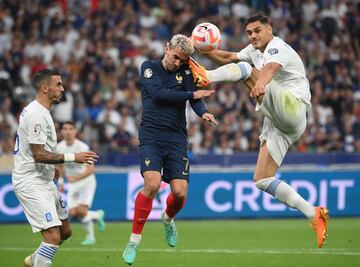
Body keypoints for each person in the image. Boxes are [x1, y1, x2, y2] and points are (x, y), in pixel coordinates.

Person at [189, 13, 329, 248]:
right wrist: (205, 51)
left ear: (269, 29)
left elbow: (270, 69)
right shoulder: (254, 49)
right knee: (262, 179)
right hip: (280, 123)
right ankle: (314, 214)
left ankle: (206, 78)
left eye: (256, 31)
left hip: (293, 107)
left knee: (245, 68)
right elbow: (228, 57)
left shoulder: (277, 47)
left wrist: (261, 83)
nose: (252, 35)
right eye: (249, 32)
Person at [122, 34, 217, 265]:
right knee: (152, 184)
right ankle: (134, 241)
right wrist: (192, 94)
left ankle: (167, 219)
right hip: (151, 137)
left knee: (180, 193)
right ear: (167, 49)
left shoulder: (185, 72)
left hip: (176, 139)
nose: (177, 63)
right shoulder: (149, 68)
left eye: (182, 61)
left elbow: (195, 99)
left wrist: (202, 110)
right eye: (175, 57)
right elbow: (159, 94)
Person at [12, 69, 98, 267]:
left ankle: (34, 261)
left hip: (44, 179)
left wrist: (53, 170)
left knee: (65, 232)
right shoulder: (35, 114)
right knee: (52, 237)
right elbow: (38, 154)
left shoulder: (43, 112)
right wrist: (72, 158)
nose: (62, 88)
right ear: (45, 88)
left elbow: (42, 151)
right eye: (58, 84)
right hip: (30, 182)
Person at [56, 121, 106, 245]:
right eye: (65, 129)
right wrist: (61, 181)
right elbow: (60, 166)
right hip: (73, 182)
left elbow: (90, 169)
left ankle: (91, 238)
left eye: (70, 129)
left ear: (75, 131)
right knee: (73, 212)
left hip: (86, 182)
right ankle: (97, 215)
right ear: (61, 131)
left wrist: (76, 178)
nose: (68, 131)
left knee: (82, 211)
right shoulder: (59, 147)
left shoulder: (82, 147)